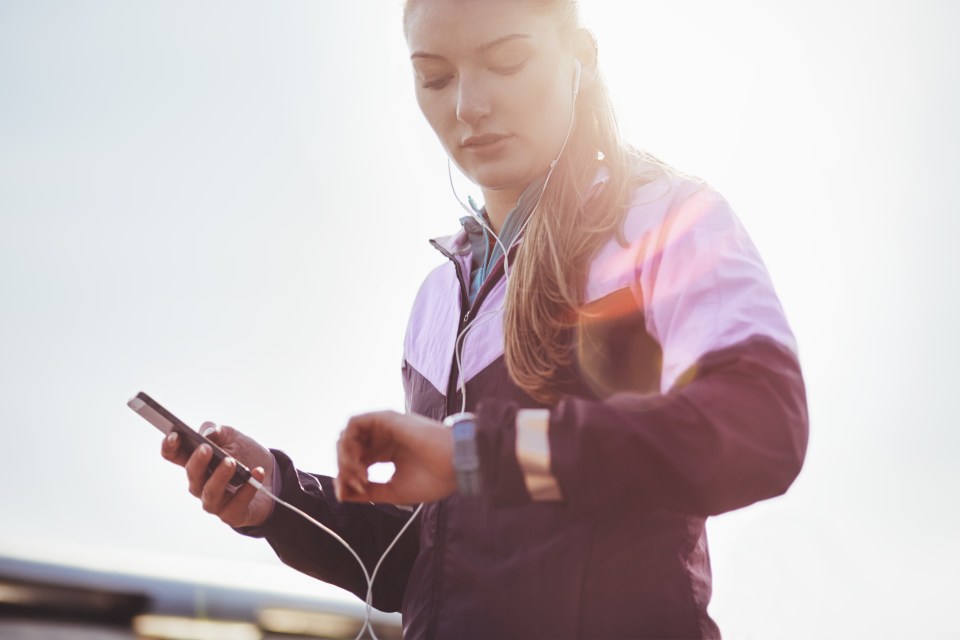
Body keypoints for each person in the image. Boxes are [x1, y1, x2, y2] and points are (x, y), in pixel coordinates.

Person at [161, 1, 808, 637]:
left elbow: (762, 427)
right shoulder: (437, 298)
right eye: (435, 77)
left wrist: (481, 453)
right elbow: (423, 561)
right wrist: (277, 498)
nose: (468, 107)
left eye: (507, 61)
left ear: (580, 57)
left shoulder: (665, 221)